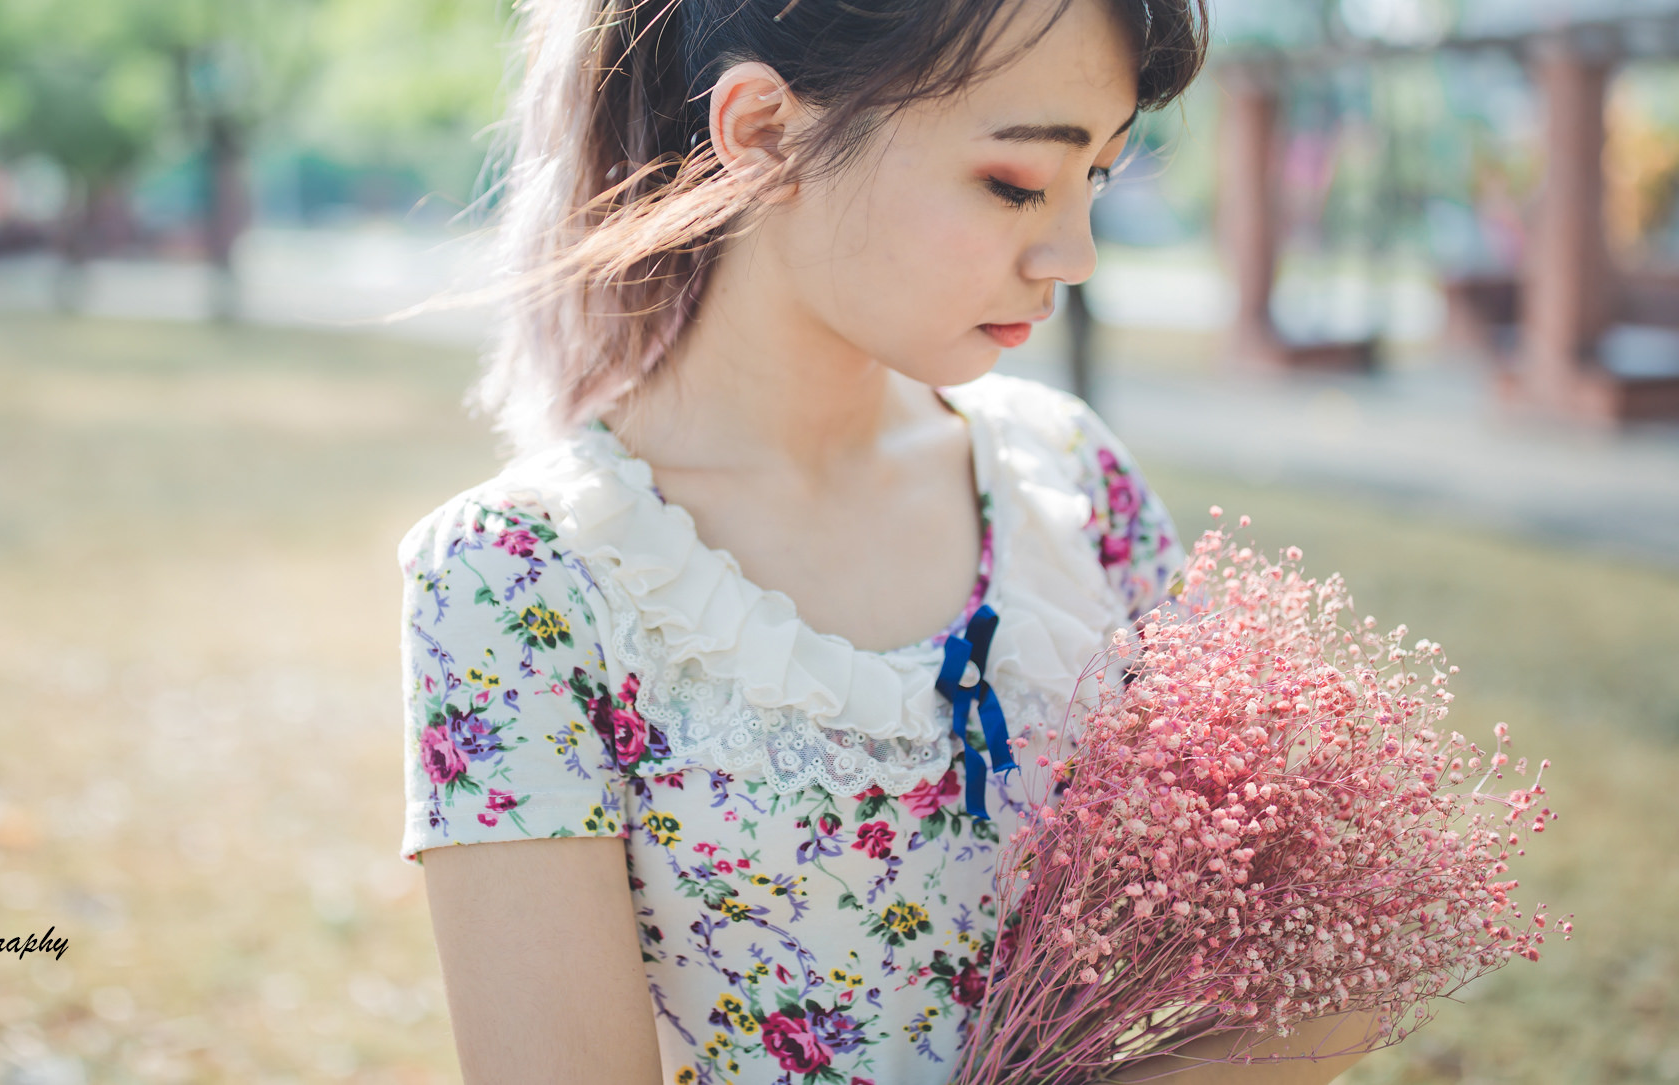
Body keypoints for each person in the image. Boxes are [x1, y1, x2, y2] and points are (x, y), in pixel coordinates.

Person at [396, 0, 1369, 1080]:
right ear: (764, 132)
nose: (1071, 252)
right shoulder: (522, 576)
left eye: (1093, 177)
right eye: (1014, 183)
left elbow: (1293, 968)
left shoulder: (1072, 478)